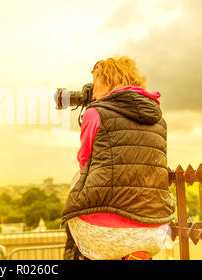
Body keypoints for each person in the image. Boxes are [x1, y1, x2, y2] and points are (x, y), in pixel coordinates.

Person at [62, 56, 176, 260]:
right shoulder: (159, 118)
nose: (93, 91)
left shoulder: (94, 113)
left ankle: (87, 255)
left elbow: (85, 163)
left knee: (76, 183)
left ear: (107, 81)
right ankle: (133, 254)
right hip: (155, 231)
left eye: (96, 83)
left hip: (105, 233)